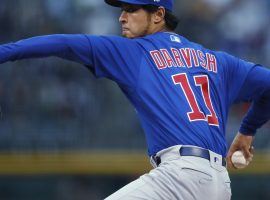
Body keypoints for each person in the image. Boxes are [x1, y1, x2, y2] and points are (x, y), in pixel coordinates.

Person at [0, 0, 269, 199]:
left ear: (158, 15)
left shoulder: (134, 52)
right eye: (122, 9)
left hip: (179, 177)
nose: (121, 17)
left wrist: (5, 51)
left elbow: (62, 43)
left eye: (131, 9)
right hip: (219, 185)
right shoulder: (218, 61)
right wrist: (246, 131)